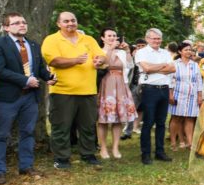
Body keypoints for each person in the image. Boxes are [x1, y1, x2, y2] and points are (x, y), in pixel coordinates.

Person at [0, 12, 54, 184]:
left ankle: (26, 166)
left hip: (29, 97)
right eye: (16, 23)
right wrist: (25, 80)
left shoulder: (32, 44)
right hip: (6, 98)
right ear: (6, 27)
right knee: (1, 134)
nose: (22, 25)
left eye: (24, 22)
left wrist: (48, 77)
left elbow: (38, 69)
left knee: (27, 132)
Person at [41, 11, 107, 170]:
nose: (70, 23)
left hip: (88, 91)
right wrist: (75, 60)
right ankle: (61, 158)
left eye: (73, 20)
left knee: (88, 125)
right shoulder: (52, 40)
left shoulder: (88, 39)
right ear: (59, 24)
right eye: (66, 21)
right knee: (61, 126)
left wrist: (100, 60)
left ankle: (88, 154)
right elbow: (54, 60)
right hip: (63, 91)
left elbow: (102, 56)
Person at [135, 28, 176, 165]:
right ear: (147, 39)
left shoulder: (165, 52)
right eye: (153, 38)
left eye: (158, 38)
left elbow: (172, 69)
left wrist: (155, 67)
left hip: (164, 89)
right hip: (149, 90)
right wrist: (162, 66)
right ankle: (145, 154)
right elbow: (146, 69)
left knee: (161, 122)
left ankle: (160, 152)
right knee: (148, 122)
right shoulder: (141, 52)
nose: (156, 41)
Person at [97, 28, 137, 159]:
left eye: (114, 35)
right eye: (109, 35)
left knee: (118, 119)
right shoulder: (99, 51)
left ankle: (115, 147)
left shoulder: (120, 52)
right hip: (105, 84)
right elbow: (102, 64)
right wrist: (109, 49)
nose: (112, 37)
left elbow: (130, 66)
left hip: (120, 84)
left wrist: (127, 51)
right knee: (103, 120)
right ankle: (103, 148)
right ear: (103, 38)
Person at [168, 42, 203, 151]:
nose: (189, 52)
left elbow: (199, 81)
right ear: (180, 51)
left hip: (192, 94)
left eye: (190, 50)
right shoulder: (174, 64)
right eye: (186, 50)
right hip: (178, 93)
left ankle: (190, 142)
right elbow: (170, 80)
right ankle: (173, 142)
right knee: (176, 118)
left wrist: (199, 96)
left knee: (190, 118)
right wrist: (170, 94)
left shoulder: (195, 65)